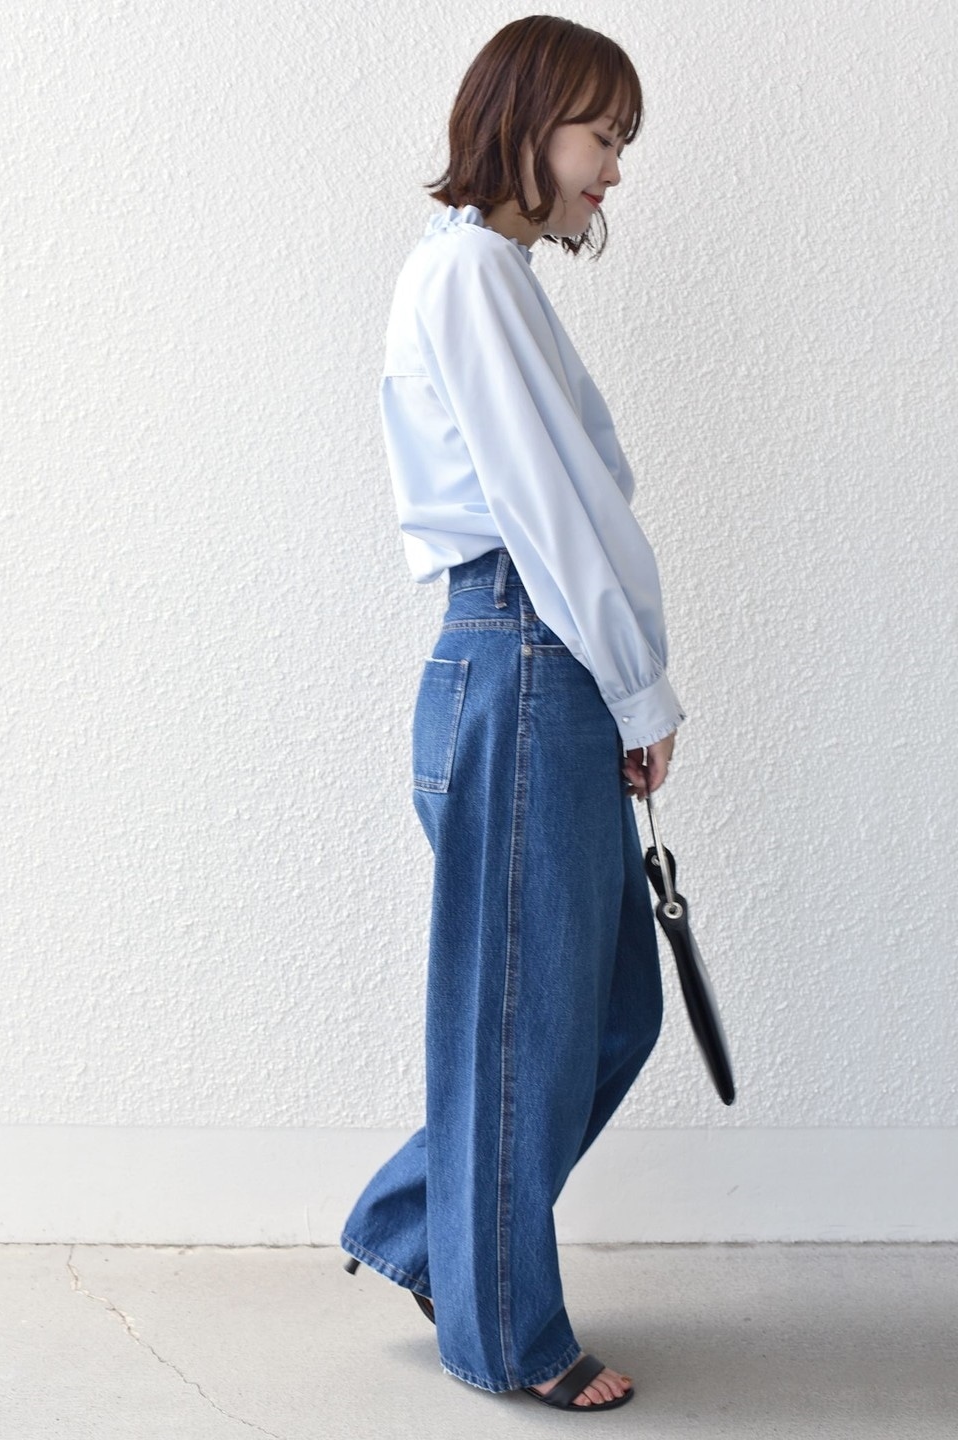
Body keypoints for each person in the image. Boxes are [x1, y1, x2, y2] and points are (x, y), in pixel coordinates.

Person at [338, 14, 686, 1414]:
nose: (615, 169)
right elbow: (549, 510)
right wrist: (636, 683)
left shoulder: (494, 277)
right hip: (526, 657)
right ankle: (509, 1335)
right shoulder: (472, 272)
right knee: (525, 1027)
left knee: (602, 1014)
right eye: (603, 136)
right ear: (530, 122)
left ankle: (426, 1232)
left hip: (535, 666)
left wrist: (625, 681)